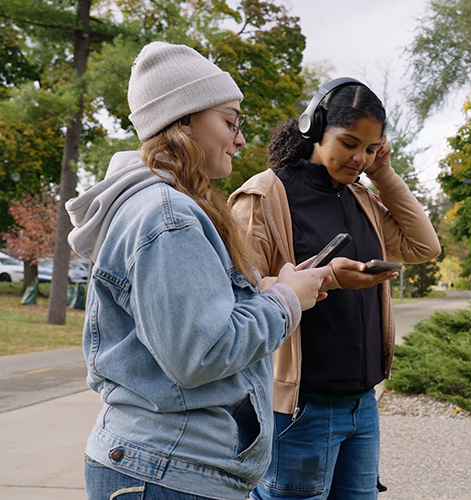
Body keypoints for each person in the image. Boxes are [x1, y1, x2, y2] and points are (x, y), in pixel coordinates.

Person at [66, 42, 331, 500]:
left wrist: (265, 289)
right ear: (183, 120)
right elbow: (200, 354)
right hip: (168, 473)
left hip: (165, 468)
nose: (241, 139)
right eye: (230, 122)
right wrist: (285, 300)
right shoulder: (168, 216)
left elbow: (176, 326)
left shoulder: (160, 208)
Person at [228, 77, 441, 499]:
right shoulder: (263, 197)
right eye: (349, 143)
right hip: (300, 408)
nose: (359, 157)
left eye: (370, 147)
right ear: (313, 128)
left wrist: (385, 174)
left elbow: (424, 245)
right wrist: (330, 278)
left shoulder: (360, 197)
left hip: (362, 405)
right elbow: (236, 293)